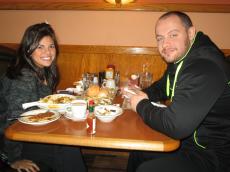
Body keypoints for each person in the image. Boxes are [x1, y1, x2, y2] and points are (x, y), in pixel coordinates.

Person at [124, 11, 230, 172]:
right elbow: (163, 86)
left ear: (191, 33)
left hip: (214, 154)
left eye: (173, 35)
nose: (165, 44)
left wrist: (140, 104)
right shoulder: (182, 58)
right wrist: (144, 94)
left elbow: (176, 125)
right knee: (140, 152)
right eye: (160, 38)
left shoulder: (204, 66)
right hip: (190, 142)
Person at [0, 23, 87, 172]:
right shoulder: (24, 78)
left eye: (51, 46)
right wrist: (13, 159)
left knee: (68, 139)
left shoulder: (44, 70)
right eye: (40, 47)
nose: (48, 52)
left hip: (35, 130)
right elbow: (11, 122)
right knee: (67, 147)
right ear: (28, 49)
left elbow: (42, 104)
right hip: (17, 142)